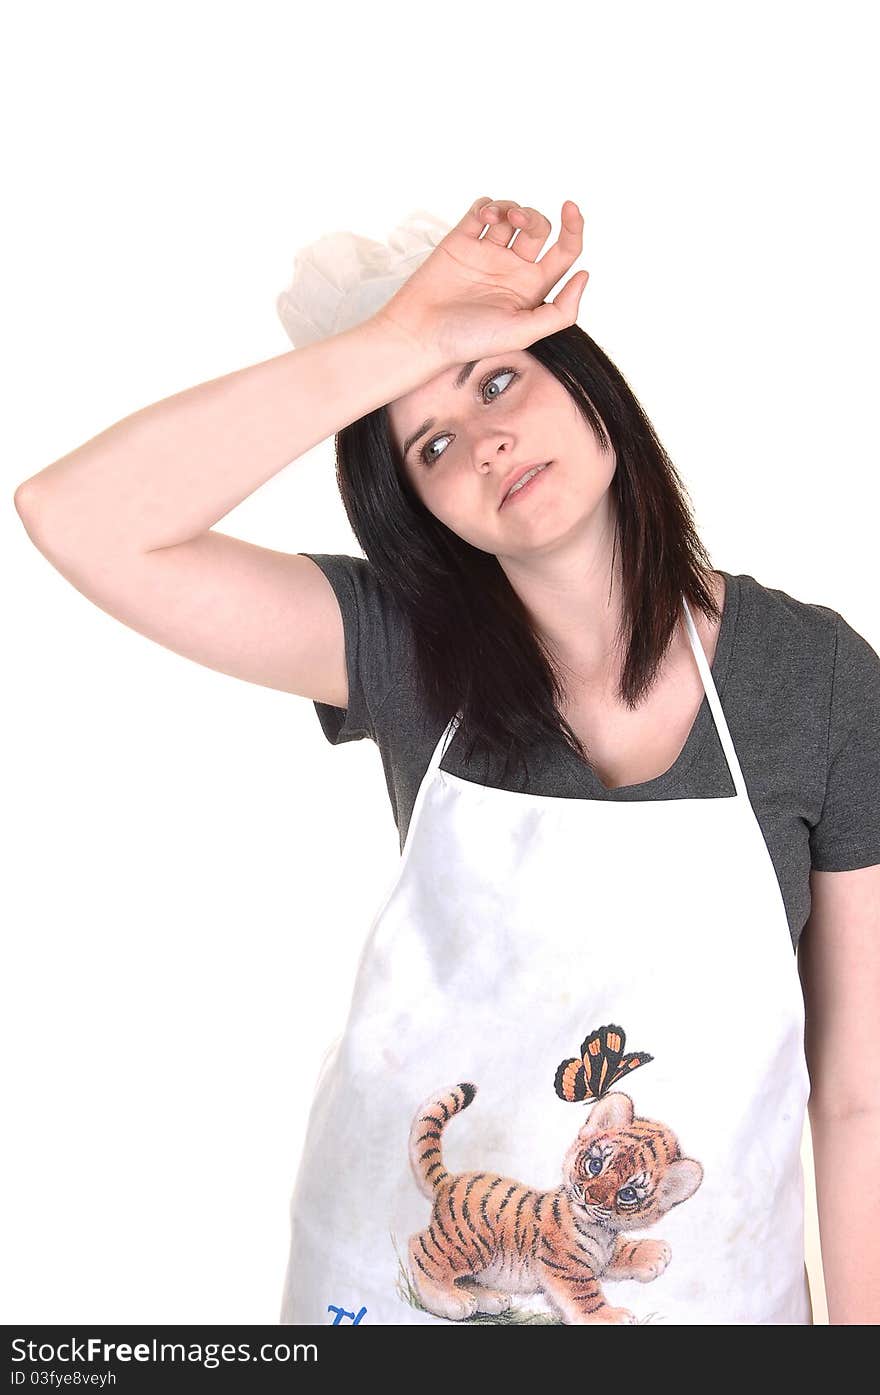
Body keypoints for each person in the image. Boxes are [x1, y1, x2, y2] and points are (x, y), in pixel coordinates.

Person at [13, 195, 880, 1326]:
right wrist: (407, 340)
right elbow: (77, 516)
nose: (487, 442)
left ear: (587, 383)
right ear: (420, 509)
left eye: (499, 379)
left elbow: (857, 1096)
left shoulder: (815, 681)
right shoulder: (397, 648)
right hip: (413, 1296)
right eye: (431, 444)